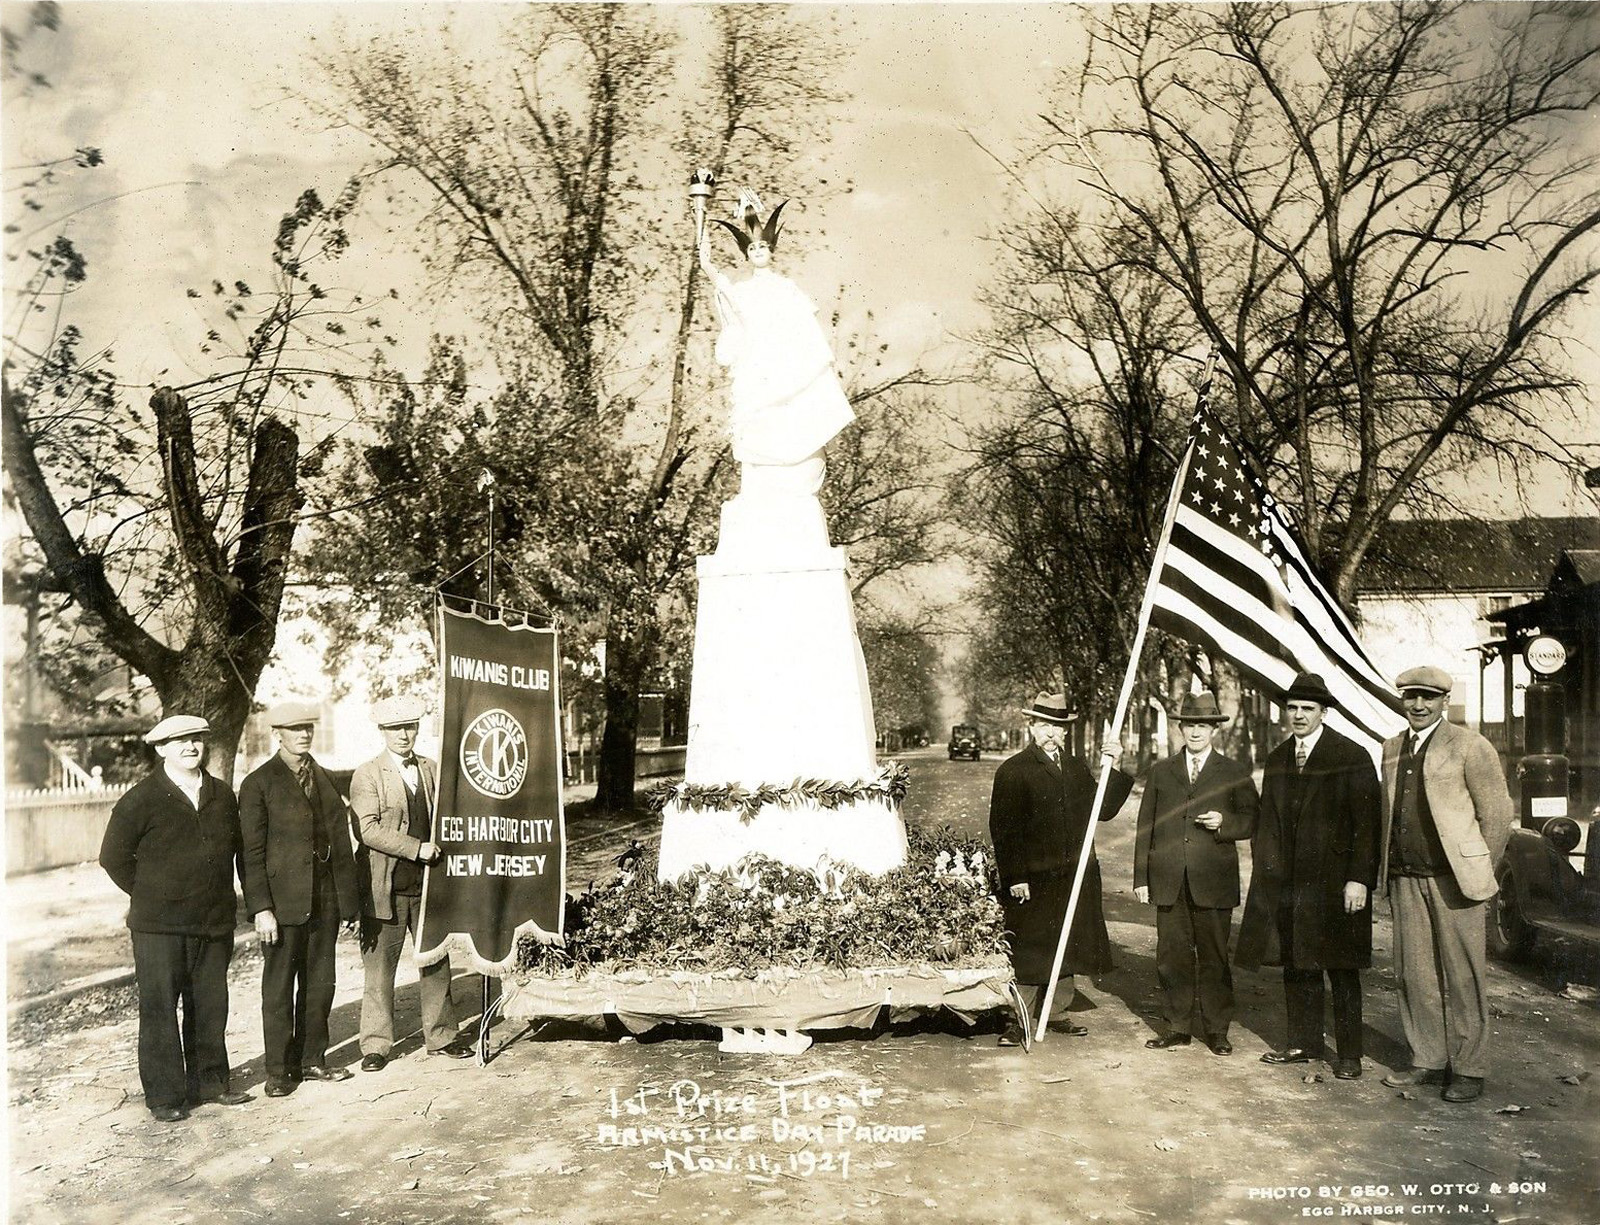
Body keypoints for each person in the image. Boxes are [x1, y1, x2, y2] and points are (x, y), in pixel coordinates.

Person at [99, 714, 248, 1122]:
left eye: (197, 739)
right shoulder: (140, 799)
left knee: (210, 1004)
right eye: (179, 741)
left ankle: (211, 1083)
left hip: (213, 922)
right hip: (158, 927)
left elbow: (237, 853)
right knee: (161, 1008)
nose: (190, 747)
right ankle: (165, 1096)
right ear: (161, 749)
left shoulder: (221, 795)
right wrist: (151, 895)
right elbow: (112, 858)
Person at [1378, 666, 1513, 1103]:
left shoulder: (1470, 745)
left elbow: (1496, 815)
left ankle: (1469, 1068)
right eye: (1411, 697)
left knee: (1463, 974)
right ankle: (1427, 1059)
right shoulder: (1392, 747)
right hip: (1405, 876)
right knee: (1413, 974)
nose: (1418, 705)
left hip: (1454, 882)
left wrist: (1477, 868)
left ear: (1443, 702)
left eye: (1428, 698)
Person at [1236, 673, 1381, 1080]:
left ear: (1323, 712)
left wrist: (1359, 879)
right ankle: (1304, 1042)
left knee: (1342, 967)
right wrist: (1266, 875)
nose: (1299, 716)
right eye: (1293, 708)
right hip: (1290, 884)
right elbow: (1269, 823)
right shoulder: (1280, 756)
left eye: (1308, 709)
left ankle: (1350, 1053)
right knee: (1298, 964)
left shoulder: (1350, 755)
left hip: (1337, 884)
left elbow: (1367, 824)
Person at [988, 692, 1133, 1046]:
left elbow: (1104, 809)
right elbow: (1004, 830)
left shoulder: (1076, 769)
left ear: (1066, 733)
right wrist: (1016, 876)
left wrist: (1115, 766)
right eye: (1045, 726)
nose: (1052, 734)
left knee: (1067, 940)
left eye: (1058, 728)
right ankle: (1019, 1017)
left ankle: (1056, 1011)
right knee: (1030, 944)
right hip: (1033, 878)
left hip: (1072, 873)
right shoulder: (1013, 771)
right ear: (1033, 727)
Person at [239, 700, 360, 1096]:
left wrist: (349, 903)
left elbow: (341, 843)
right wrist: (261, 909)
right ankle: (277, 1072)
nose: (303, 734)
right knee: (278, 990)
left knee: (320, 984)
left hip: (324, 902)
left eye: (307, 727)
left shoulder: (322, 776)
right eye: (294, 729)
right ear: (278, 734)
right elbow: (250, 854)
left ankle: (312, 1060)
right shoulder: (259, 783)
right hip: (282, 905)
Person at [348, 696, 472, 1069]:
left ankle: (442, 1036)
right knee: (380, 970)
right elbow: (368, 830)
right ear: (382, 732)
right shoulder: (368, 774)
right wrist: (416, 849)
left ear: (417, 728)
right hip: (386, 887)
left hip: (430, 886)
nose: (403, 735)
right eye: (394, 728)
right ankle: (375, 1044)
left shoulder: (432, 769)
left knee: (435, 960)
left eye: (409, 726)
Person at [1134, 693, 1259, 1056]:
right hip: (1168, 879)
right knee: (1171, 956)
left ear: (1213, 730)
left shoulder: (1233, 771)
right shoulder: (1161, 771)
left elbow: (1253, 819)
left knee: (1214, 956)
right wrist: (1142, 878)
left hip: (1213, 881)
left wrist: (1225, 823)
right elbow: (1145, 827)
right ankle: (1177, 1027)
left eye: (1202, 726)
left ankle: (1217, 1030)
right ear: (1181, 729)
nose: (1195, 732)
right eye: (1189, 725)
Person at [700, 187, 855, 472]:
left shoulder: (787, 287)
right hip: (757, 362)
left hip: (784, 360)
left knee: (789, 413)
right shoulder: (744, 290)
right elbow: (727, 295)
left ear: (771, 250)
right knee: (759, 418)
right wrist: (707, 264)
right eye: (752, 248)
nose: (758, 251)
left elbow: (803, 327)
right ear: (746, 255)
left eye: (762, 247)